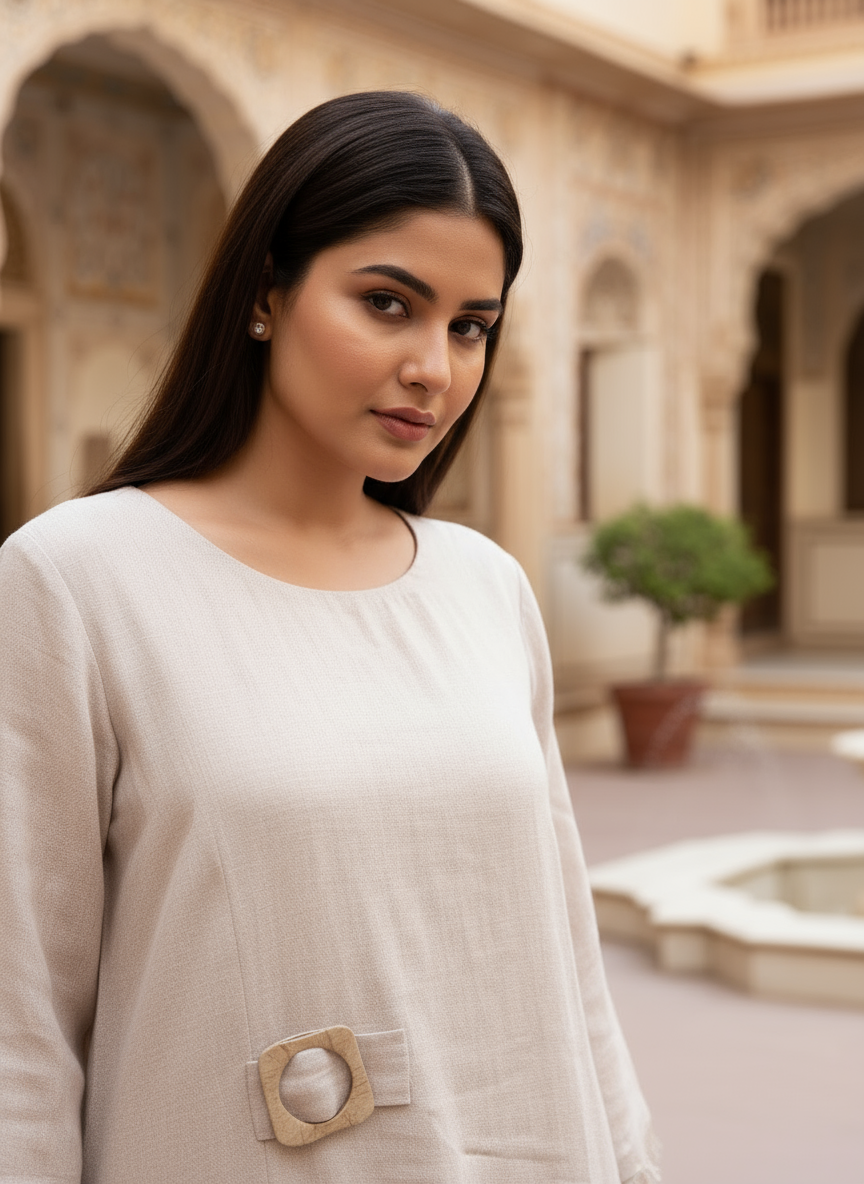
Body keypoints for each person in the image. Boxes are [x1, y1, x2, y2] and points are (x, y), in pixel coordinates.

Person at [0, 91, 660, 1183]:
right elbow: (20, 1018)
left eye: (469, 326)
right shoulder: (77, 579)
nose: (435, 367)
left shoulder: (484, 588)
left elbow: (567, 957)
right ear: (265, 291)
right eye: (388, 303)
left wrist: (633, 1160)